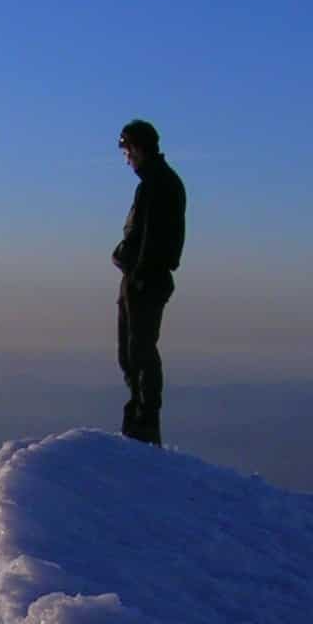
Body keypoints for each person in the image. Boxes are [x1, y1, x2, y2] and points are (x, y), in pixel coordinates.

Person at [111, 119, 186, 446]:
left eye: (127, 150)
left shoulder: (158, 185)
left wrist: (137, 274)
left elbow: (153, 240)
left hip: (145, 282)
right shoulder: (158, 183)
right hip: (142, 279)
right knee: (133, 351)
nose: (127, 158)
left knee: (139, 351)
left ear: (138, 148)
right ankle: (140, 418)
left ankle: (144, 422)